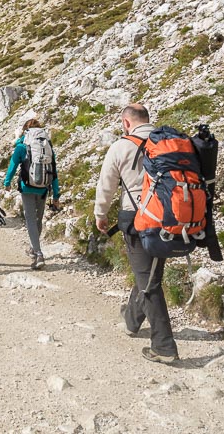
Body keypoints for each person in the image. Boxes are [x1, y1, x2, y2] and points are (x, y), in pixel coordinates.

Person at [95, 103, 178, 364]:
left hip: (136, 218)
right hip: (168, 216)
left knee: (148, 279)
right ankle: (132, 320)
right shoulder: (168, 142)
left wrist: (101, 214)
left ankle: (164, 346)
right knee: (150, 272)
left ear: (126, 123)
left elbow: (106, 184)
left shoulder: (121, 146)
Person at [3, 119, 61, 270]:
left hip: (27, 187)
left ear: (25, 131)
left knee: (30, 220)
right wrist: (56, 195)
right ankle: (33, 247)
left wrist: (7, 182)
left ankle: (38, 253)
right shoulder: (48, 147)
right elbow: (54, 173)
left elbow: (13, 165)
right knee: (38, 219)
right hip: (43, 188)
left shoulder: (21, 147)